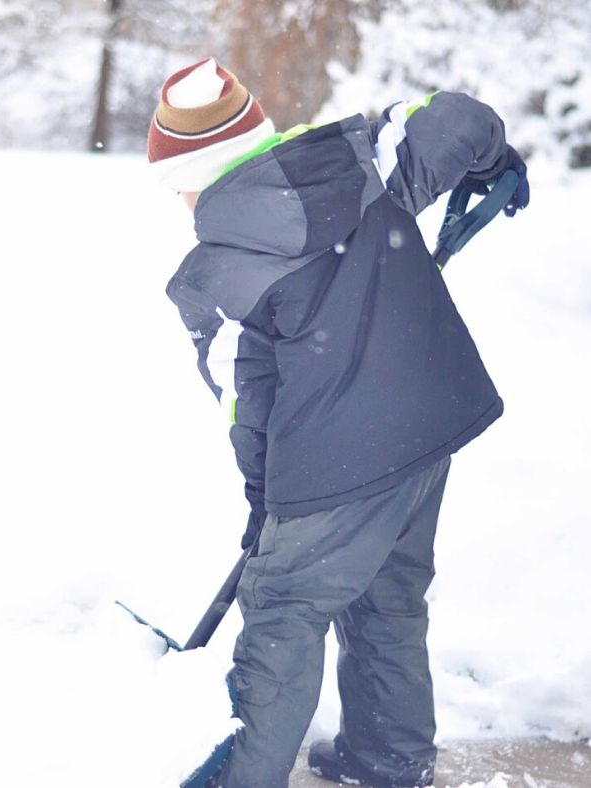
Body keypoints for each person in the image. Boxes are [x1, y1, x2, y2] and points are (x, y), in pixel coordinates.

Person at [147, 57, 529, 788]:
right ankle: (388, 758)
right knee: (388, 594)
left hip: (338, 457)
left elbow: (244, 399)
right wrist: (491, 157)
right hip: (430, 426)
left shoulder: (210, 277)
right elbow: (455, 117)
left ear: (190, 175)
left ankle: (242, 779)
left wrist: (267, 503)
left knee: (284, 604)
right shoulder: (360, 157)